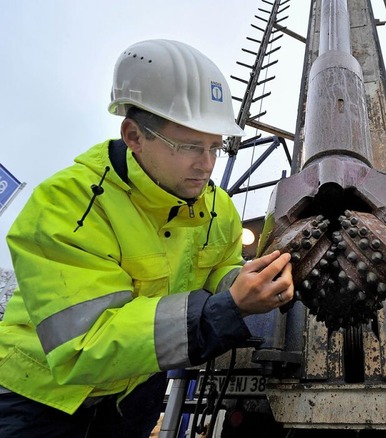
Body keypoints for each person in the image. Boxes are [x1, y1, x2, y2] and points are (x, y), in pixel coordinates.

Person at [0, 39, 294, 437]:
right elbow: (87, 345)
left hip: (134, 397)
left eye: (215, 147)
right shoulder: (68, 205)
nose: (205, 165)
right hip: (41, 401)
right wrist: (226, 308)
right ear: (135, 136)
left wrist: (247, 281)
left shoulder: (217, 206)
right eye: (190, 146)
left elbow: (219, 266)